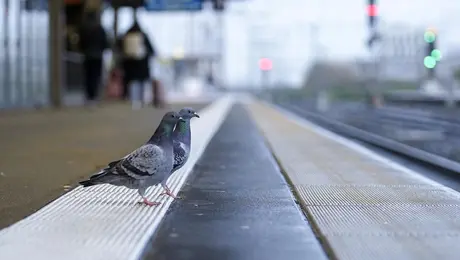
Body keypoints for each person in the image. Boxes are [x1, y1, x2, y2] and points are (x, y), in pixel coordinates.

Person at [118, 18, 156, 109]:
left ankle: (133, 100)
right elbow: (151, 49)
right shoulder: (143, 35)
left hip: (129, 63)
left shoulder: (125, 35)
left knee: (132, 82)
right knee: (141, 82)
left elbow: (119, 48)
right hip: (142, 63)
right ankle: (141, 99)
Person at [79, 11, 109, 106]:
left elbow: (81, 43)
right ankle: (94, 96)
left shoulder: (84, 28)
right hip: (98, 56)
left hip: (87, 55)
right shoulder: (100, 29)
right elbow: (105, 43)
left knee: (88, 76)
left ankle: (89, 96)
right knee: (96, 76)